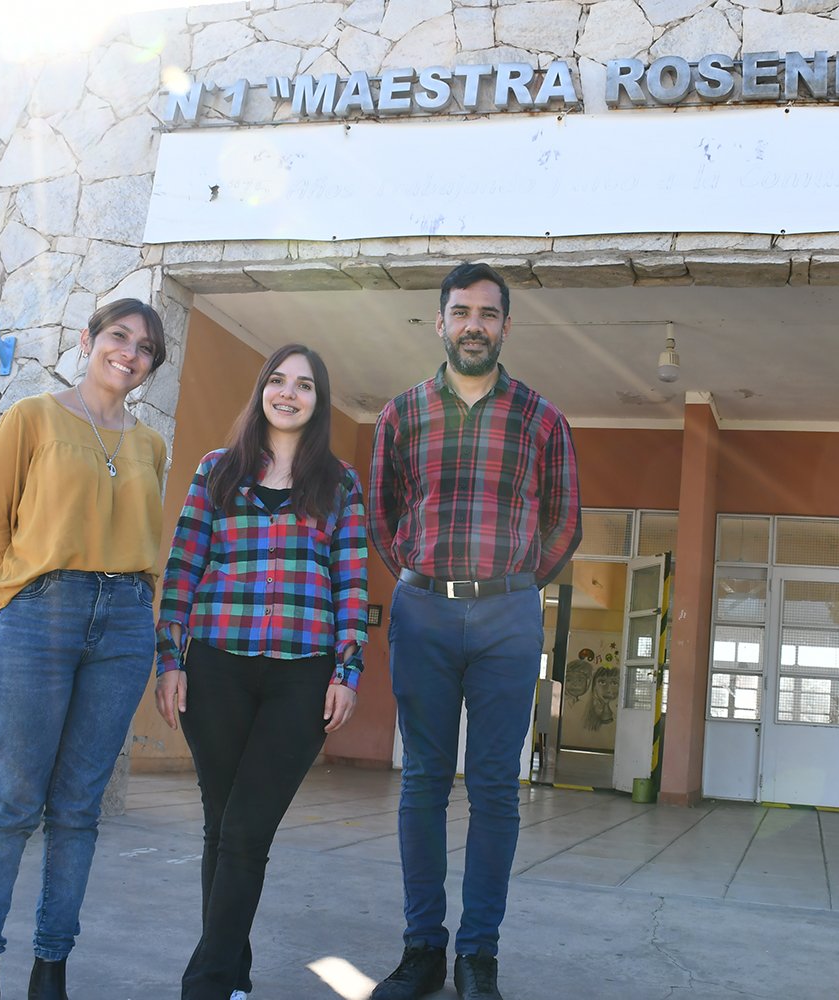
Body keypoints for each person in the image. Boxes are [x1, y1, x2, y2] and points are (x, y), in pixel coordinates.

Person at [368, 262, 581, 1000]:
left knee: (495, 788)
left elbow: (565, 523)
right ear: (439, 322)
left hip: (507, 618)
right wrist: (424, 579)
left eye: (487, 314)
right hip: (423, 612)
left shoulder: (541, 418)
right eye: (460, 312)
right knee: (423, 781)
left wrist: (513, 585)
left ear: (505, 327)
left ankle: (477, 956)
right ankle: (423, 948)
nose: (473, 325)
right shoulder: (400, 415)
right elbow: (383, 518)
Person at [0, 299, 169, 1000]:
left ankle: (51, 968)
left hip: (126, 623)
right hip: (38, 615)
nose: (129, 353)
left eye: (144, 347)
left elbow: (145, 540)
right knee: (12, 800)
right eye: (118, 336)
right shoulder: (33, 419)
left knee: (79, 806)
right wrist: (13, 596)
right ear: (88, 341)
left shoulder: (149, 445)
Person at [156, 344, 367, 1000]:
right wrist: (170, 658)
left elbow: (352, 583)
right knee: (223, 824)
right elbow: (183, 568)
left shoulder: (339, 483)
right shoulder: (217, 471)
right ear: (261, 392)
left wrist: (347, 668)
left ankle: (205, 983)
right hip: (215, 667)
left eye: (304, 385)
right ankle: (229, 976)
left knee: (246, 827)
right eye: (277, 381)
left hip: (301, 677)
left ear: (317, 401)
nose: (288, 393)